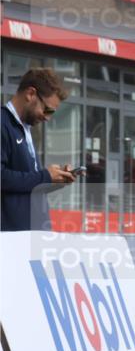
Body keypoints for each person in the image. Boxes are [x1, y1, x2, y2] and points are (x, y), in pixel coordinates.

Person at [1, 68, 77, 230]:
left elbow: (26, 183)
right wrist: (44, 176)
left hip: (32, 235)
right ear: (30, 94)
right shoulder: (3, 123)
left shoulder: (25, 129)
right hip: (11, 240)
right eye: (47, 109)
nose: (47, 117)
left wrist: (55, 180)